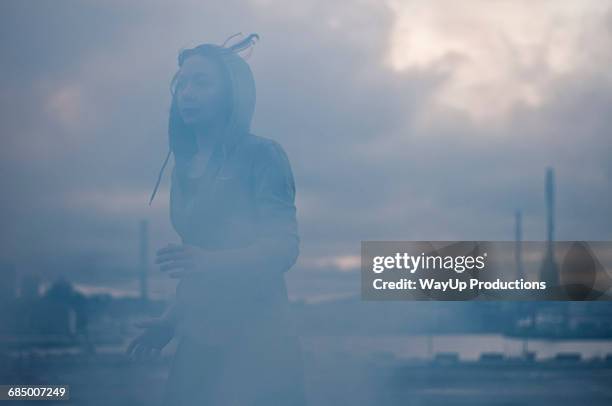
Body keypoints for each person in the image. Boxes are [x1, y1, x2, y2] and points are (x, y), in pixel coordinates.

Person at [126, 34, 307, 406]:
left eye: (202, 83)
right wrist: (170, 322)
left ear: (231, 95)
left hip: (259, 340)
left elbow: (282, 248)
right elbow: (198, 267)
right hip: (199, 337)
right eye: (182, 83)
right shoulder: (183, 168)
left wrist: (208, 261)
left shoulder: (262, 154)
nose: (187, 93)